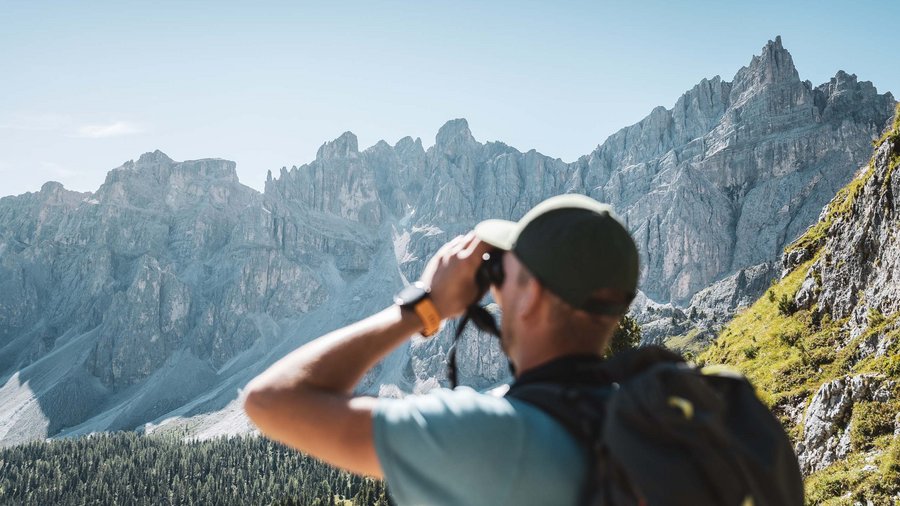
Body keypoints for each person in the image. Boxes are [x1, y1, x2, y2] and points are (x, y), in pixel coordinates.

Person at [243, 194, 639, 505]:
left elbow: (270, 400)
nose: (494, 288)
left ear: (531, 294)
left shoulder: (485, 437)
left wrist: (423, 307)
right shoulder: (653, 427)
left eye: (502, 271)